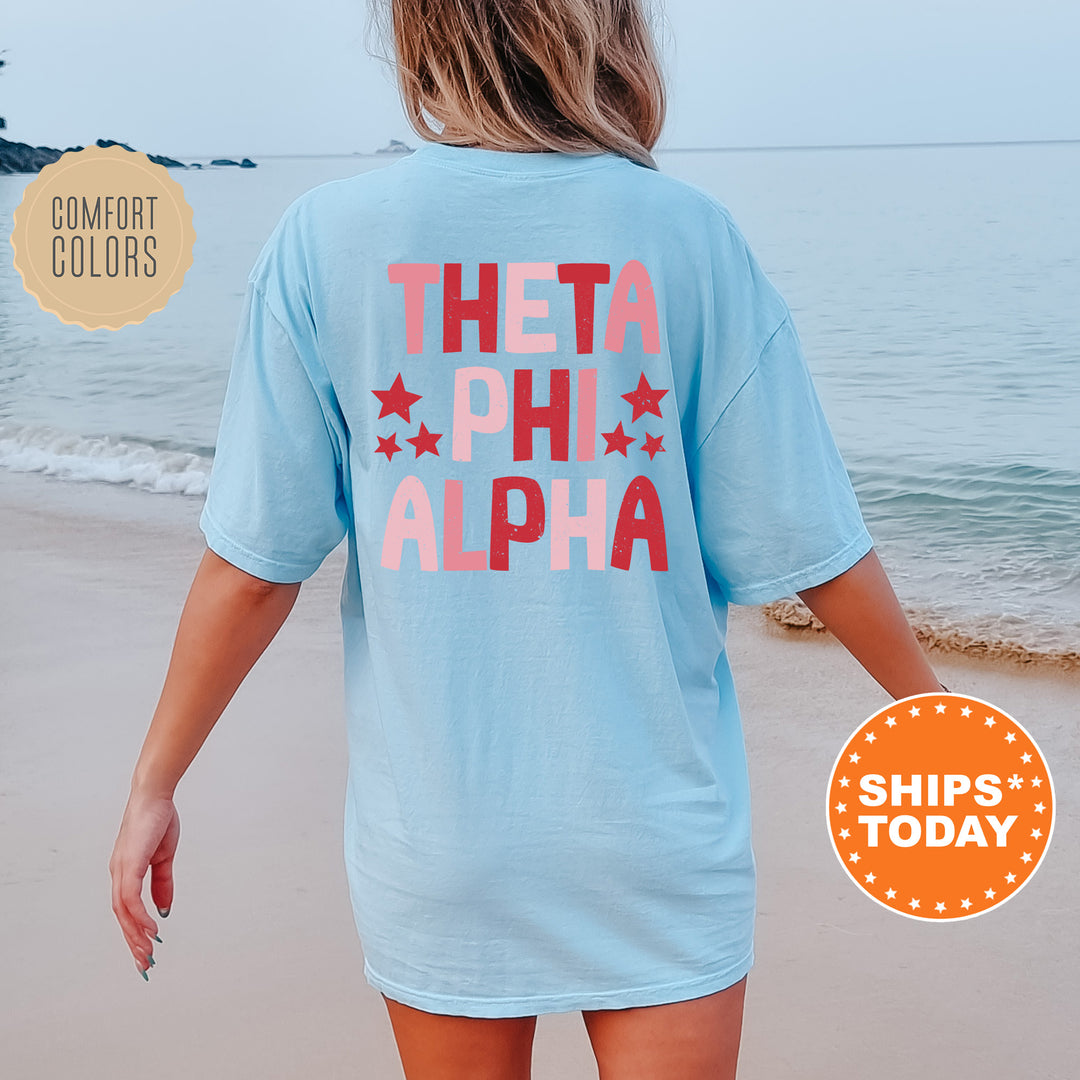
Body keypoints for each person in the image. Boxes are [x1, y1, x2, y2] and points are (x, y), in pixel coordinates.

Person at [109, 1, 946, 1076]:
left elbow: (253, 569)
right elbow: (813, 543)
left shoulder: (325, 241)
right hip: (654, 838)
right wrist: (935, 719)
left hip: (443, 841)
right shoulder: (688, 236)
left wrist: (154, 784)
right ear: (608, 31)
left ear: (420, 34)